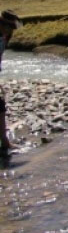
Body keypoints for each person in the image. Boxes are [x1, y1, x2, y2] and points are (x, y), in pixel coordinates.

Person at [0, 10, 22, 155]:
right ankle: (5, 143)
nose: (11, 31)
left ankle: (5, 142)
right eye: (10, 27)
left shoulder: (3, 37)